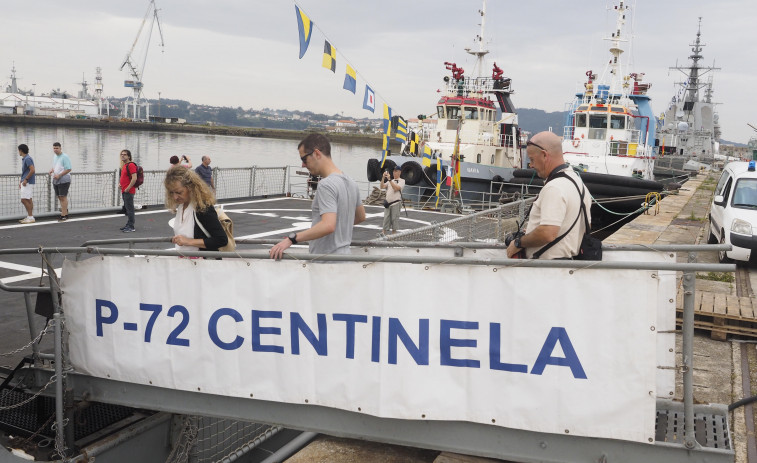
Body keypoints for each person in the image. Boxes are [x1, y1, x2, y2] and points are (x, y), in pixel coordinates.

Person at [269, 133, 365, 259]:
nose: (303, 165)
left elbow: (328, 225)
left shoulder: (326, 184)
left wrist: (291, 239)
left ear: (317, 154)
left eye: (304, 159)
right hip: (345, 260)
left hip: (326, 264)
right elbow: (361, 216)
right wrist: (340, 226)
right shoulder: (351, 182)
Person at [506, 131, 592, 260]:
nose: (531, 165)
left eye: (532, 159)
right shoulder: (578, 183)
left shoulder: (554, 187)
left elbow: (547, 233)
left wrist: (518, 243)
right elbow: (584, 227)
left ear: (544, 155)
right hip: (567, 266)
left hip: (546, 271)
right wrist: (531, 231)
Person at [164, 166, 228, 252]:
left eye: (179, 192)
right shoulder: (181, 206)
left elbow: (221, 240)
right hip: (185, 261)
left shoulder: (202, 208)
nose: (175, 197)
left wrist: (189, 241)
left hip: (202, 263)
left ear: (190, 187)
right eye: (171, 192)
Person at [49, 142, 72, 222]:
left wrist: (59, 175)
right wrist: (52, 170)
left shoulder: (65, 157)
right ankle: (65, 211)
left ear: (60, 148)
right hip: (56, 179)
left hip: (64, 179)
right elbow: (56, 166)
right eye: (54, 148)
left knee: (63, 197)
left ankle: (64, 215)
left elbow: (68, 169)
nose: (55, 150)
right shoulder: (55, 156)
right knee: (59, 197)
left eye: (57, 148)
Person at [380, 165, 405, 235]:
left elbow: (396, 188)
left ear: (399, 172)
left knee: (394, 222)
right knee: (385, 221)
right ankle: (383, 235)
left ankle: (393, 238)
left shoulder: (402, 181)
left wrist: (390, 180)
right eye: (393, 171)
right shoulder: (390, 181)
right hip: (388, 204)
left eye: (396, 171)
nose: (394, 172)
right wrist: (383, 177)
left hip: (396, 204)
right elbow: (382, 186)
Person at [119, 149, 138, 233]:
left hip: (128, 191)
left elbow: (134, 178)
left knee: (130, 209)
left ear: (129, 156)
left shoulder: (131, 165)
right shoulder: (125, 165)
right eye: (122, 154)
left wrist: (128, 188)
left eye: (125, 154)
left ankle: (131, 226)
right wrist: (121, 185)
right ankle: (128, 224)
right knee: (127, 208)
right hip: (124, 190)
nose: (123, 155)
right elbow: (125, 178)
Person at [18, 144, 35, 224]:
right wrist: (21, 180)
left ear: (21, 150)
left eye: (19, 150)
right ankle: (29, 217)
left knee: (24, 199)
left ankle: (31, 217)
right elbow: (26, 171)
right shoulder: (25, 158)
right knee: (28, 199)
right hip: (25, 181)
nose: (18, 152)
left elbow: (32, 170)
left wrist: (25, 179)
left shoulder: (27, 159)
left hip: (27, 182)